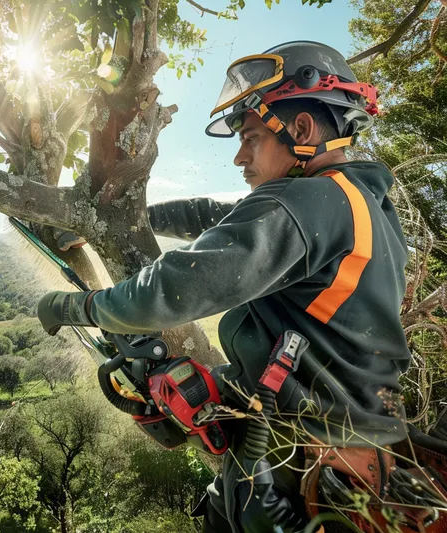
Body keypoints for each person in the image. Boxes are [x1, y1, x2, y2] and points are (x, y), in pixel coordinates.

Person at [37, 41, 413, 532]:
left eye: (251, 137)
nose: (239, 156)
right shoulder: (361, 204)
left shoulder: (306, 201)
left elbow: (173, 288)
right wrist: (122, 220)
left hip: (299, 468)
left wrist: (76, 306)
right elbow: (217, 218)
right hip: (353, 447)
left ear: (300, 130)